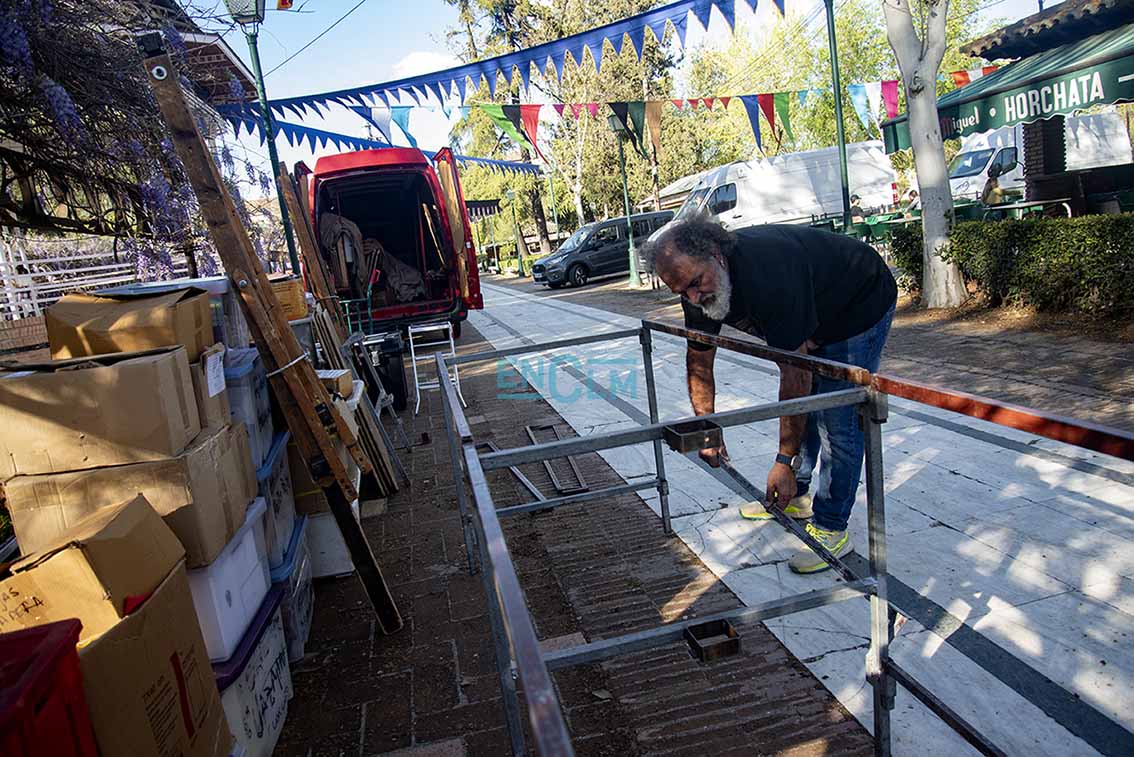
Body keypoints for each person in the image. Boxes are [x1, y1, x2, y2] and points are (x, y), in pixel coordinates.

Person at [643, 215, 897, 574]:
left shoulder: (768, 276)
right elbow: (699, 361)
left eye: (697, 284)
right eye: (682, 291)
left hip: (859, 301)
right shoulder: (693, 285)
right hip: (814, 303)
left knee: (837, 419)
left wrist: (783, 462)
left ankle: (831, 527)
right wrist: (707, 428)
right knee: (809, 403)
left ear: (716, 255)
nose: (694, 298)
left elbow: (795, 375)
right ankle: (799, 493)